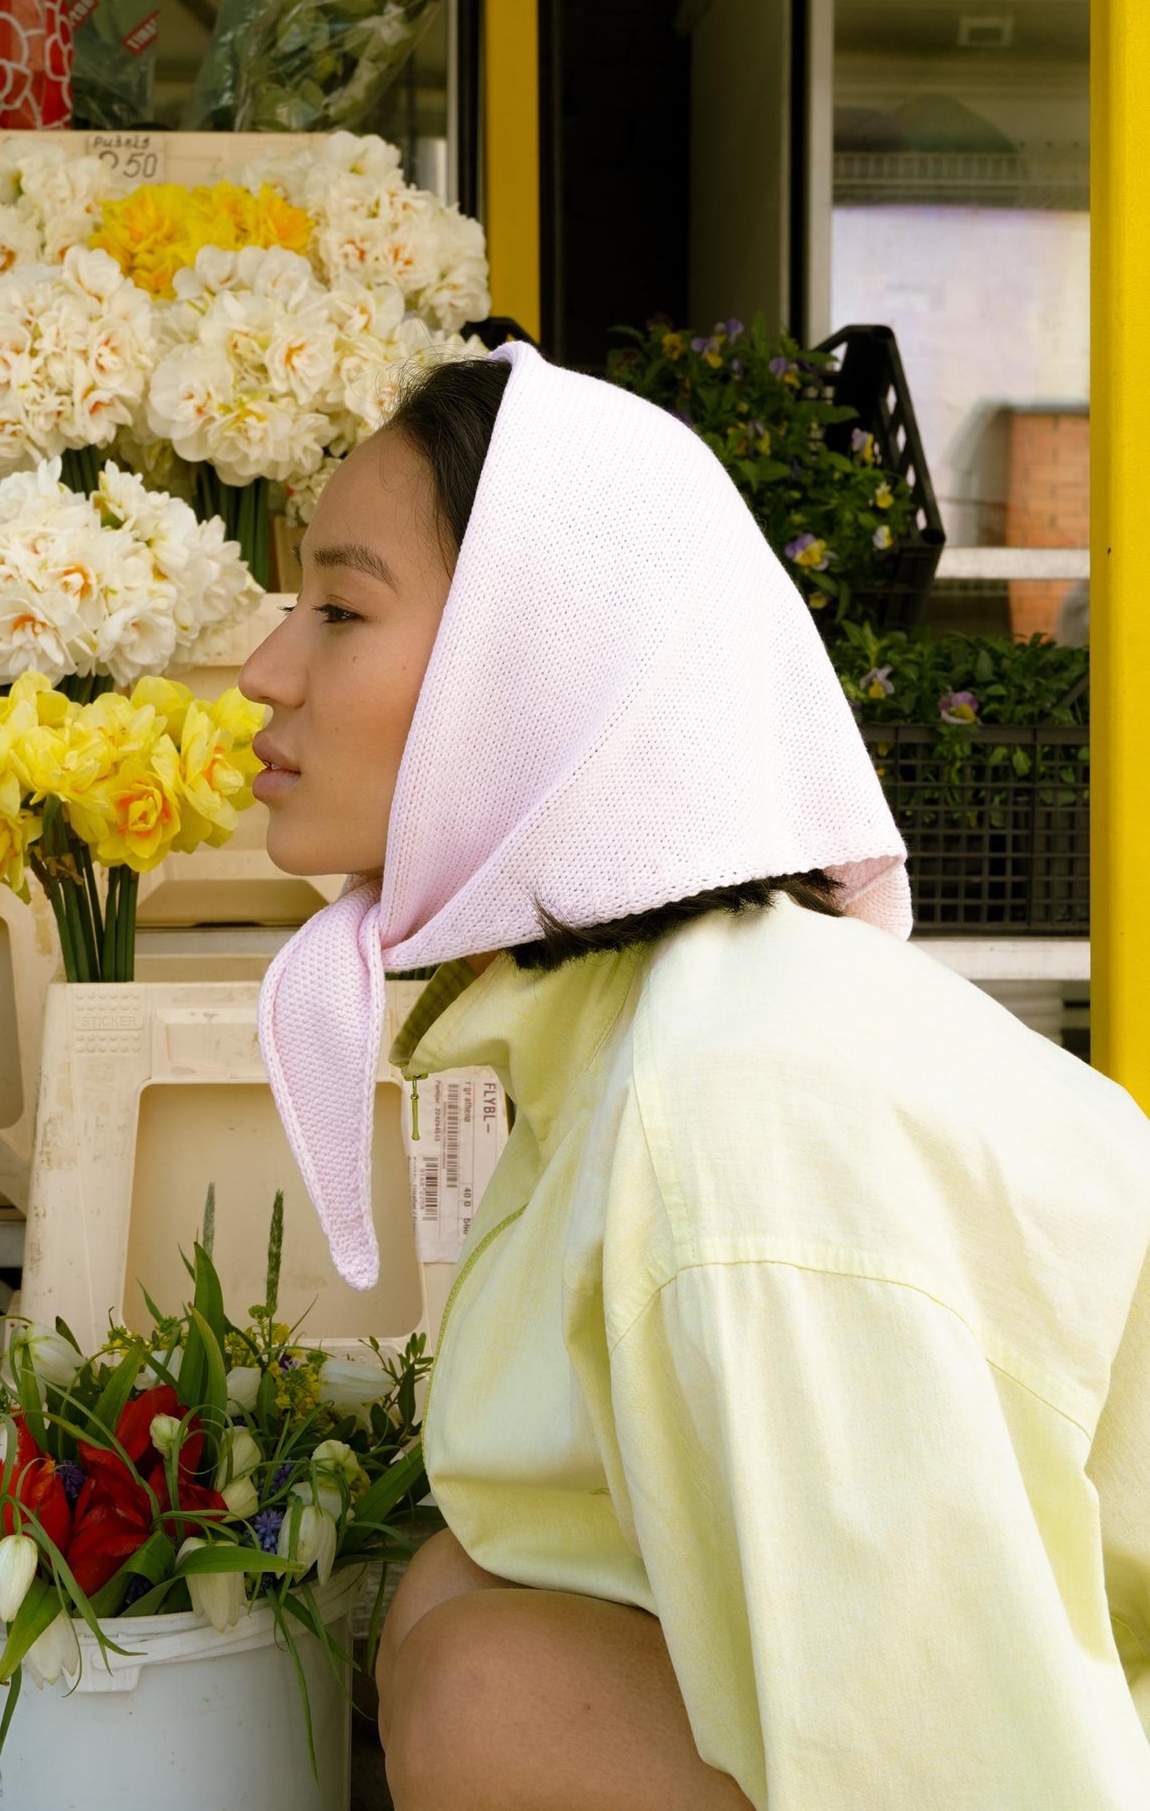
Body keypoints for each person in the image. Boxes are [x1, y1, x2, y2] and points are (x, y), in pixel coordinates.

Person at [237, 344, 1150, 1810]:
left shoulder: (734, 1118)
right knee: (465, 1603)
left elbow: (974, 1760)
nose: (264, 669)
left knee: (490, 1693)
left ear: (530, 676)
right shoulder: (628, 1023)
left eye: (340, 610)